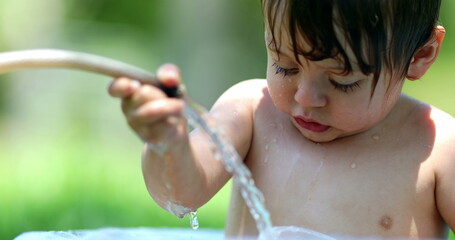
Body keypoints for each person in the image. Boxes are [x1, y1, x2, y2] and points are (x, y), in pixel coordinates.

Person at [108, 0, 455, 238]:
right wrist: (167, 143)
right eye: (284, 66)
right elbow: (180, 195)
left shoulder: (437, 149)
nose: (305, 97)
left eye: (341, 81)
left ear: (420, 56)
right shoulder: (251, 112)